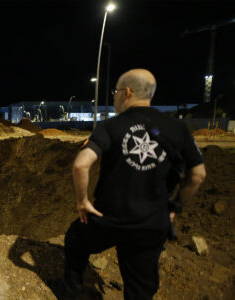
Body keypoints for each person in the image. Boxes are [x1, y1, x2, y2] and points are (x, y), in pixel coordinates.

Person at [62, 69, 206, 299]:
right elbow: (197, 175)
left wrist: (82, 201)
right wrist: (174, 207)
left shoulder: (110, 126)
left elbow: (80, 165)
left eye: (116, 92)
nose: (115, 97)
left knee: (75, 240)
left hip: (108, 219)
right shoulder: (178, 129)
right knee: (140, 289)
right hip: (150, 224)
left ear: (127, 92)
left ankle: (73, 291)